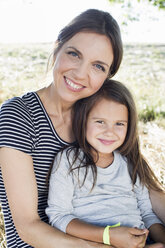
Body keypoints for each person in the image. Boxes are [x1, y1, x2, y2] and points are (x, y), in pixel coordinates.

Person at [0, 8, 164, 248]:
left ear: (108, 75)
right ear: (57, 46)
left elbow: (148, 192)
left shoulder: (102, 119)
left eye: (98, 66)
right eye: (74, 54)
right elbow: (28, 227)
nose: (80, 73)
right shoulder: (19, 115)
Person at [46, 79, 165, 248]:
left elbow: (147, 213)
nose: (109, 132)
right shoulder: (69, 160)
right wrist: (108, 236)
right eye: (100, 122)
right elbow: (59, 217)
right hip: (95, 243)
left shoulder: (129, 163)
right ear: (83, 119)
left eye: (119, 124)